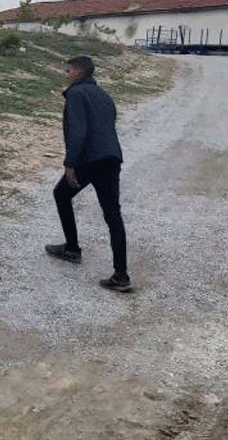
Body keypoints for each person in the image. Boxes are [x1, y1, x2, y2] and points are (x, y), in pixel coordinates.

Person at [44, 55, 131, 293]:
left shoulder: (75, 94)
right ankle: (121, 275)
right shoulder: (104, 95)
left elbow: (78, 131)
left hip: (88, 160)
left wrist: (70, 164)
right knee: (113, 215)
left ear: (80, 71)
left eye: (69, 70)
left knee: (61, 195)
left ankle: (72, 249)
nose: (67, 74)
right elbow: (111, 120)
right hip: (111, 159)